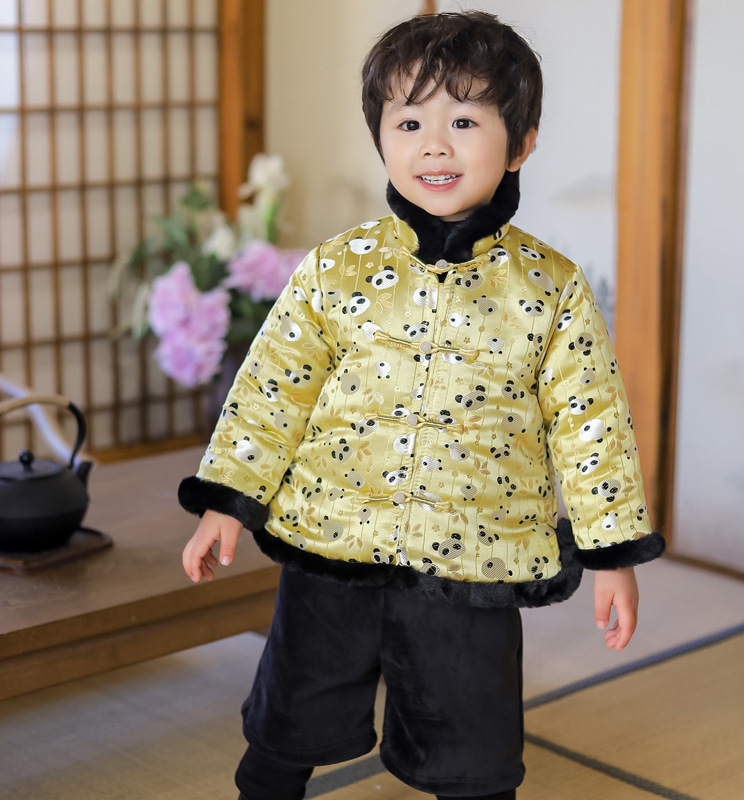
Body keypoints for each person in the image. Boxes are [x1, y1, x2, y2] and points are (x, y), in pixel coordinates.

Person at [179, 11, 665, 800]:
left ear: (522, 141)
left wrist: (612, 555)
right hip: (331, 541)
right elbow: (272, 388)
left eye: (465, 120)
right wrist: (226, 503)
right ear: (381, 135)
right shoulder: (337, 267)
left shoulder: (552, 289)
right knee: (288, 718)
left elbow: (593, 426)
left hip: (476, 559)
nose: (434, 145)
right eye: (409, 121)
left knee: (473, 747)